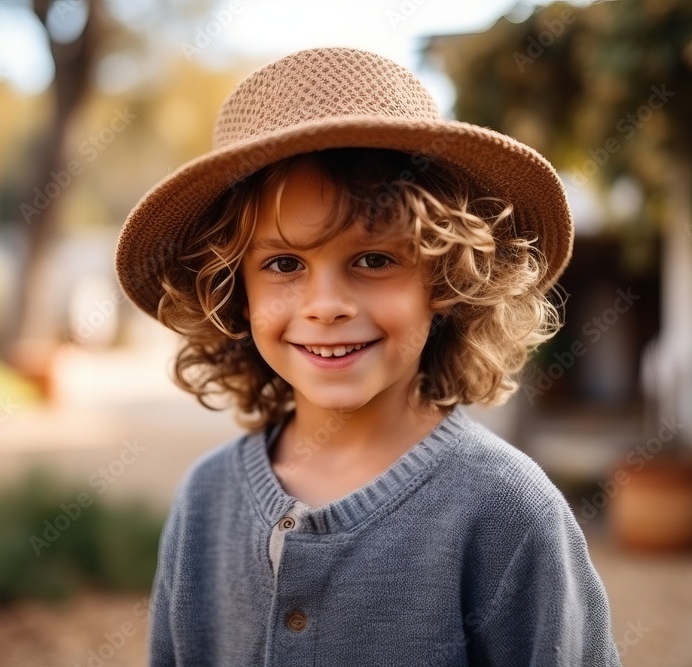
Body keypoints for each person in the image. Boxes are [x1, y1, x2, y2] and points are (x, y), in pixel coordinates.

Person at [115, 47, 620, 666]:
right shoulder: (205, 499)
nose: (326, 305)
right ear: (235, 294)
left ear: (444, 283)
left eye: (374, 260)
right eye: (283, 264)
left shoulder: (506, 509)